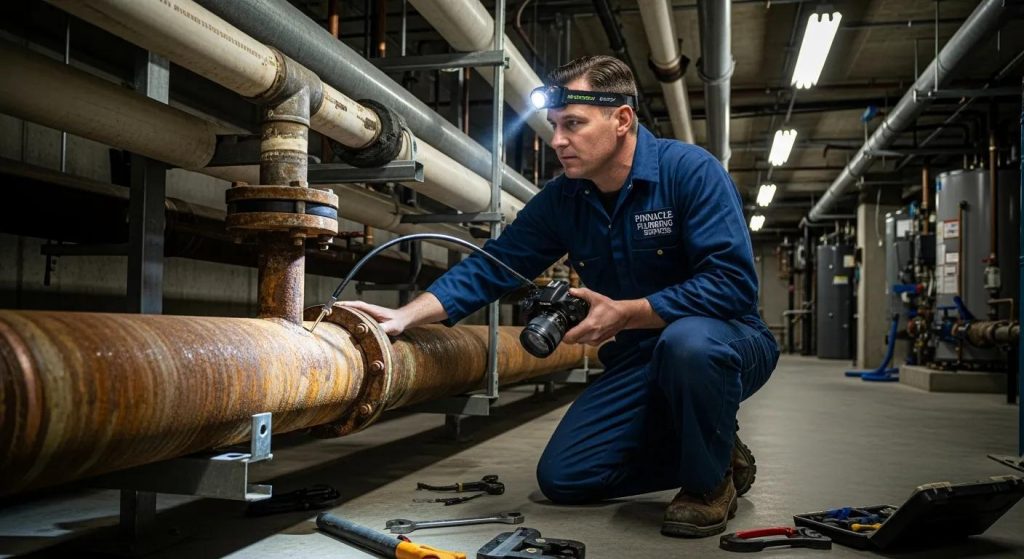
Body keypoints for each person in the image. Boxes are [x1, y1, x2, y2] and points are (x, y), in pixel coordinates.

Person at [341, 55, 779, 538]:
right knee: (566, 477)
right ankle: (718, 451)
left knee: (687, 344)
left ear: (622, 119)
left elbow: (732, 283)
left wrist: (628, 313)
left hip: (727, 343)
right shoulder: (565, 198)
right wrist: (408, 315)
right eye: (553, 125)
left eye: (573, 124)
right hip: (641, 358)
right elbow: (495, 265)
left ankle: (708, 484)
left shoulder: (690, 172)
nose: (558, 141)